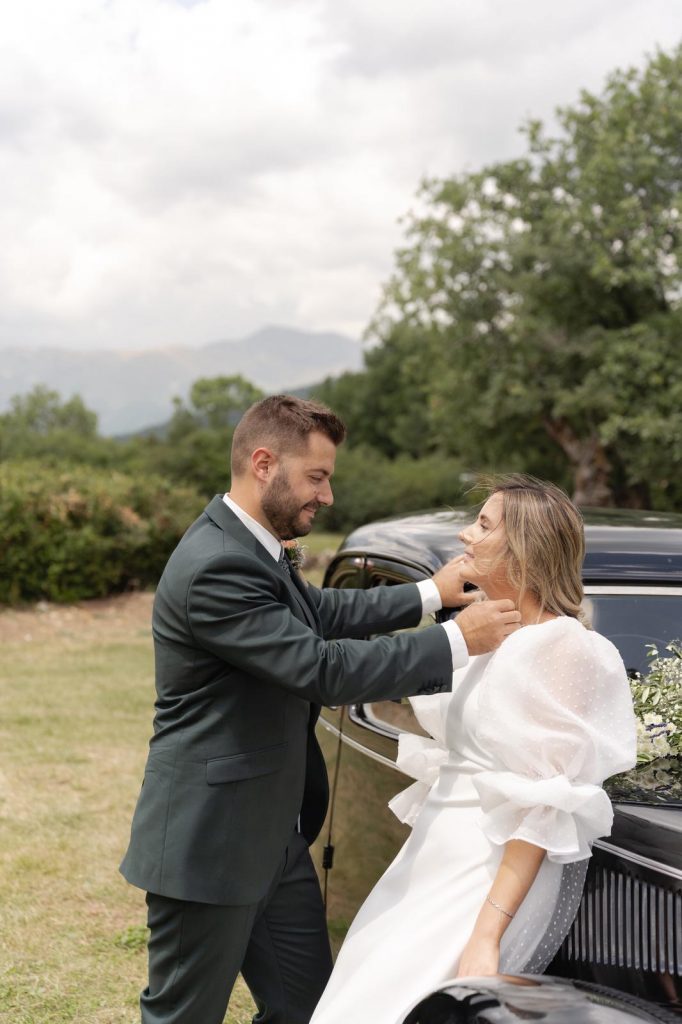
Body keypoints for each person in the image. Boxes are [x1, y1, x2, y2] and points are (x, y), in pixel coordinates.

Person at [119, 395, 522, 1024]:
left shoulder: (251, 544)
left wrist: (428, 593)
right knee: (183, 1016)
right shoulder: (215, 565)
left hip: (274, 836)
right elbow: (321, 667)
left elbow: (320, 613)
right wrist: (457, 639)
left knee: (312, 1010)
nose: (327, 495)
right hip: (211, 843)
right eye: (316, 477)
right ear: (262, 464)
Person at [310, 475, 638, 1024]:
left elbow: (543, 804)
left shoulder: (562, 648)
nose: (465, 535)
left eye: (483, 525)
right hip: (431, 856)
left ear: (525, 549)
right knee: (360, 994)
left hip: (483, 871)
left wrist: (488, 936)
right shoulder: (486, 629)